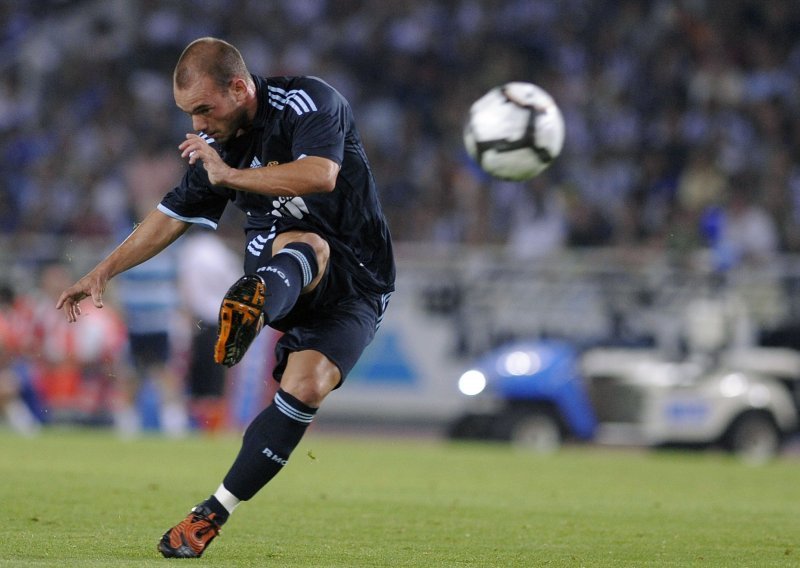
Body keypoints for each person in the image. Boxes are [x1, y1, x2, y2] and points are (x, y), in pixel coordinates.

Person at [55, 37, 395, 558]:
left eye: (203, 109)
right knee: (304, 243)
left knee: (308, 386)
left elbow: (321, 174)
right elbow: (168, 217)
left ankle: (210, 515)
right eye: (189, 114)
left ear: (239, 87)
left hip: (363, 281)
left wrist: (230, 176)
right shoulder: (221, 147)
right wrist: (103, 271)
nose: (197, 126)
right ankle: (254, 306)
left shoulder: (309, 102)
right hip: (283, 261)